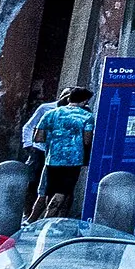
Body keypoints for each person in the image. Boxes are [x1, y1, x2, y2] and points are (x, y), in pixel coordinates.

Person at [33, 88, 93, 216]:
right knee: (63, 191)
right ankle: (48, 218)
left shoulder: (50, 113)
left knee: (51, 191)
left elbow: (38, 138)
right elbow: (87, 140)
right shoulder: (87, 116)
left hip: (52, 158)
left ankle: (50, 219)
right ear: (85, 101)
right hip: (73, 159)